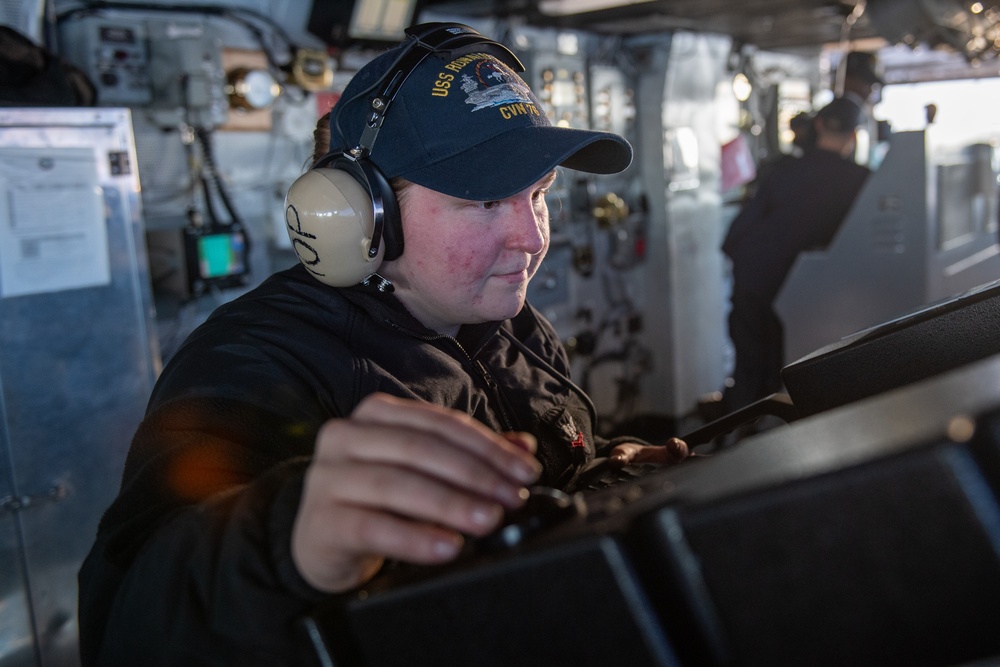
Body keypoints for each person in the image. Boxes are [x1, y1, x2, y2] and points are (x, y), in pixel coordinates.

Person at [77, 22, 689, 665]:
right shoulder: (255, 360)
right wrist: (286, 539)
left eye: (537, 196)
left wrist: (598, 488)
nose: (533, 239)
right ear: (360, 217)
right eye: (484, 203)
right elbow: (129, 623)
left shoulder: (508, 325)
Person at [720, 97, 872, 414]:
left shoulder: (782, 172)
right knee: (797, 377)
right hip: (804, 292)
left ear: (817, 125)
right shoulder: (862, 181)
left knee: (752, 370)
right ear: (854, 136)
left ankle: (735, 440)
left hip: (755, 279)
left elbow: (736, 234)